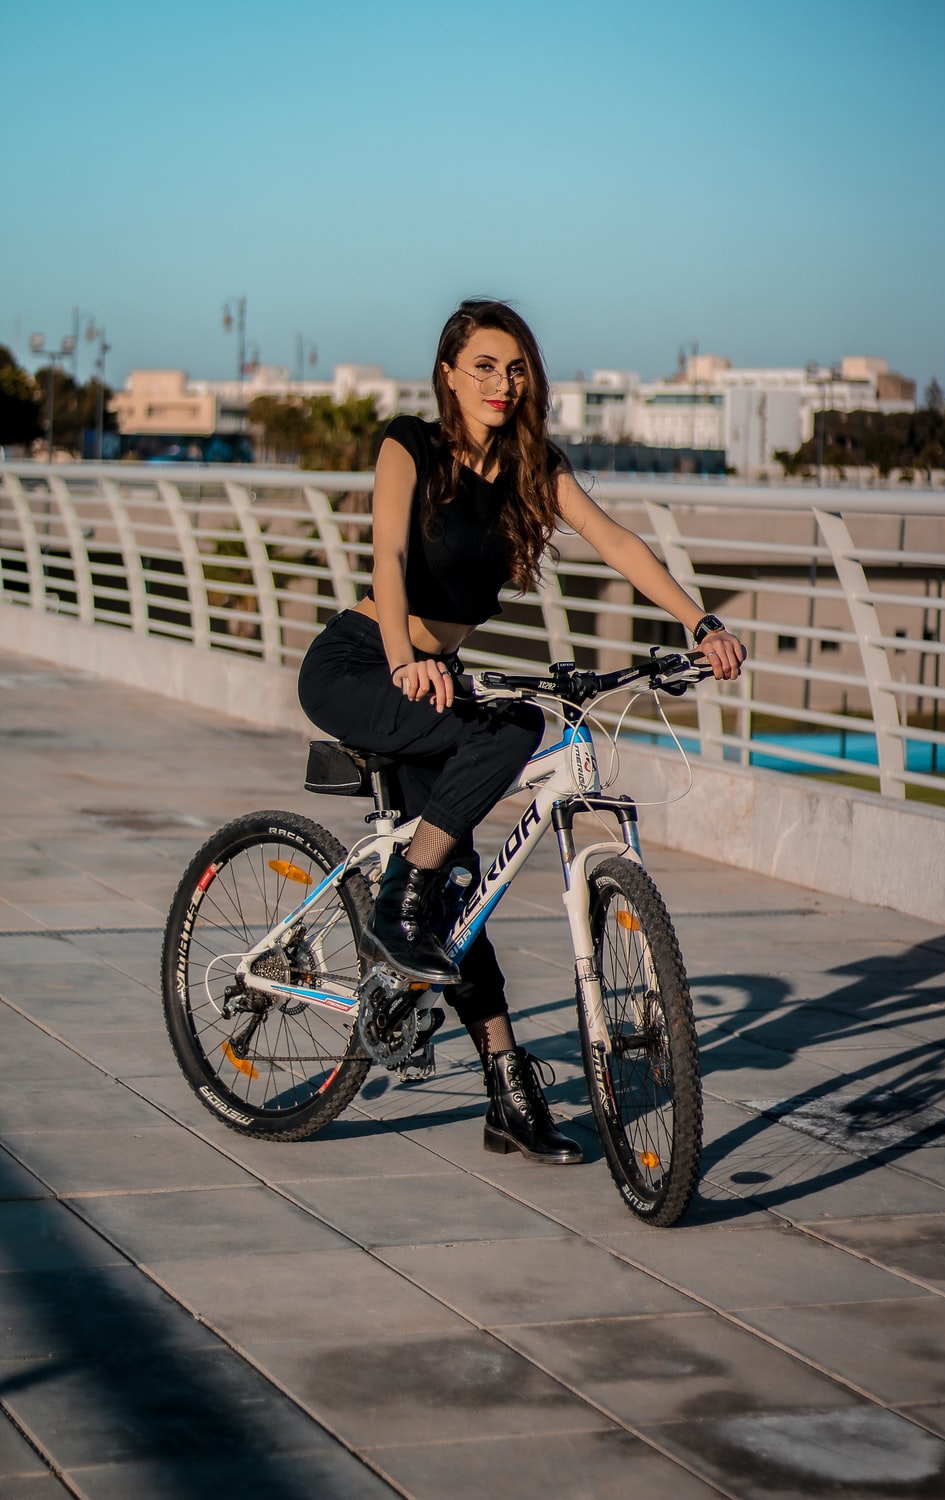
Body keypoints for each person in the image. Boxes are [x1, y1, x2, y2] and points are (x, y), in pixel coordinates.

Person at [298, 298, 744, 1165]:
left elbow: (615, 541)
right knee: (511, 735)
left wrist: (698, 623)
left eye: (515, 368)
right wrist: (400, 659)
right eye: (484, 367)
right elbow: (386, 559)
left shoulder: (533, 466)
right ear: (447, 375)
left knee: (459, 888)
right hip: (361, 662)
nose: (502, 384)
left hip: (435, 678)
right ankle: (400, 897)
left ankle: (507, 1089)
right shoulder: (409, 445)